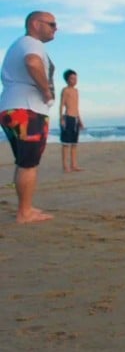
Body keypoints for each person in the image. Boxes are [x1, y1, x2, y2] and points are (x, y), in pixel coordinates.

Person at [0, 11, 58, 223]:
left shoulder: (21, 43)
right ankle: (24, 213)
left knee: (24, 161)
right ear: (35, 24)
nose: (55, 28)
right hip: (26, 109)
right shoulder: (31, 43)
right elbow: (33, 63)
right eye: (51, 24)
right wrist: (46, 92)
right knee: (28, 163)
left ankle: (25, 207)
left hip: (11, 107)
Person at [59, 69, 85, 173]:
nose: (74, 80)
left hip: (75, 119)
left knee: (74, 144)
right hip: (68, 117)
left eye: (75, 78)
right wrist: (61, 118)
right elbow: (61, 105)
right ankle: (65, 166)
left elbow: (76, 107)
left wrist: (80, 120)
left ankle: (74, 165)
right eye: (72, 78)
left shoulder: (76, 91)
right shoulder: (65, 90)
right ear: (67, 79)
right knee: (66, 144)